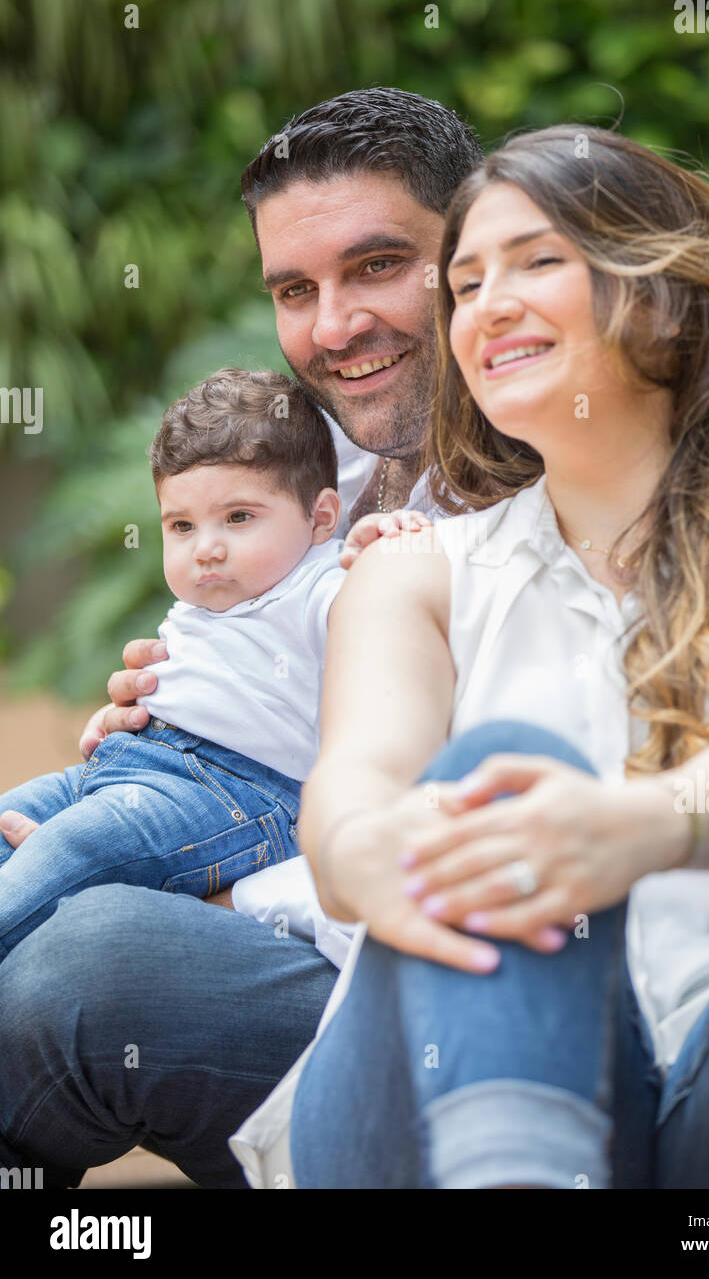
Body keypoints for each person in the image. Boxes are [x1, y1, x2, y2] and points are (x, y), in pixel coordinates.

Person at [283, 123, 709, 1189]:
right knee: (492, 774)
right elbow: (348, 792)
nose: (486, 304)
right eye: (463, 284)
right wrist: (362, 852)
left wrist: (626, 831)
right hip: (417, 1114)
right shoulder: (412, 574)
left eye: (537, 259)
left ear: (660, 291)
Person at [0, 88, 484, 1187]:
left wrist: (211, 881)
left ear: (468, 253)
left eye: (374, 267)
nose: (332, 326)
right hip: (261, 866)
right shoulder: (324, 473)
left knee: (90, 957)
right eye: (293, 289)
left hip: (428, 986)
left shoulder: (539, 504)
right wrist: (162, 721)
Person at [0, 367, 427, 959]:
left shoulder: (320, 584)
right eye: (181, 526)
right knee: (12, 818)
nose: (206, 548)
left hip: (239, 793)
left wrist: (385, 541)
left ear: (323, 517)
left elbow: (384, 605)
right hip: (133, 766)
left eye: (238, 518)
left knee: (70, 853)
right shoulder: (208, 595)